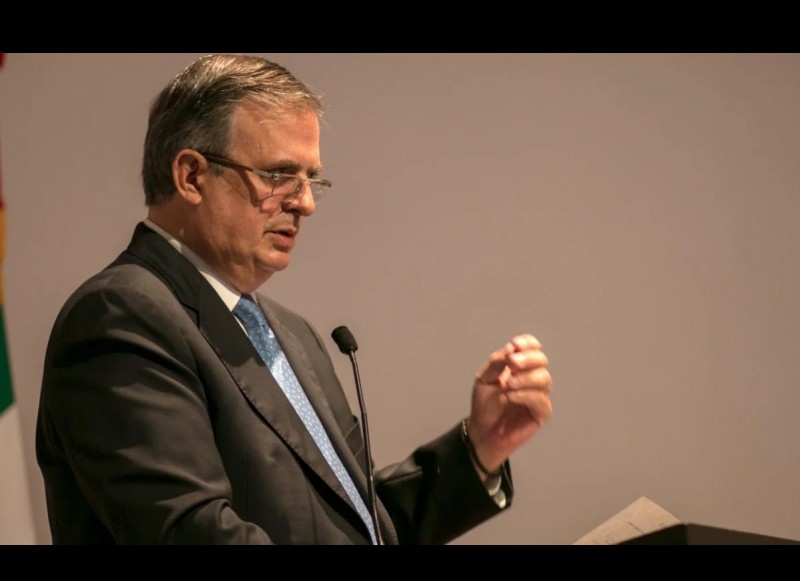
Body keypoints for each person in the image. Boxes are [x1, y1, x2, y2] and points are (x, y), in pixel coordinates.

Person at [35, 54, 553, 545]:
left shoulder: (291, 334)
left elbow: (363, 527)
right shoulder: (121, 317)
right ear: (191, 176)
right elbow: (190, 530)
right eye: (278, 175)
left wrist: (479, 450)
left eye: (311, 179)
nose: (305, 203)